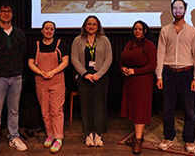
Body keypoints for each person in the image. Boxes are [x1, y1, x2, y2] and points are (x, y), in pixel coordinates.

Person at [155, 0, 195, 154]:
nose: (178, 10)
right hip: (168, 73)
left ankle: (189, 140)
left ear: (185, 10)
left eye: (181, 8)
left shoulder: (193, 31)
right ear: (172, 10)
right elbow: (160, 54)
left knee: (189, 110)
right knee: (168, 109)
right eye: (175, 8)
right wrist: (159, 76)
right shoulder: (165, 30)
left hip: (186, 73)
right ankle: (169, 138)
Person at [0, 2, 28, 156]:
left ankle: (13, 137)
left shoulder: (20, 34)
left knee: (14, 111)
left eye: (9, 11)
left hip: (16, 77)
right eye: (3, 11)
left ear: (12, 14)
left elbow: (22, 53)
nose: (6, 13)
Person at [71, 15, 113, 147]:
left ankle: (98, 134)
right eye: (89, 24)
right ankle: (88, 134)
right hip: (84, 77)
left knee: (100, 106)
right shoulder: (77, 40)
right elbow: (75, 59)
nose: (91, 26)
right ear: (84, 26)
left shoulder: (104, 40)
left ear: (98, 26)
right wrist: (84, 74)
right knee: (86, 106)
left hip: (100, 77)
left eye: (94, 24)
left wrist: (99, 74)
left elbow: (108, 59)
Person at [28, 21, 69, 153]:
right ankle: (50, 135)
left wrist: (52, 72)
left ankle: (58, 138)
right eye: (46, 29)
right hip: (41, 81)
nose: (49, 31)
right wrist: (40, 72)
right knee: (45, 111)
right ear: (42, 30)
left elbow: (66, 61)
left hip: (56, 80)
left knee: (56, 110)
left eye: (51, 29)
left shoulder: (60, 44)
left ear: (54, 31)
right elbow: (30, 62)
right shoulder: (36, 45)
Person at [120, 21, 157, 155]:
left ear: (145, 31)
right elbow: (122, 59)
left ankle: (138, 140)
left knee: (140, 111)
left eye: (140, 29)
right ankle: (137, 136)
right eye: (135, 29)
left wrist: (135, 72)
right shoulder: (129, 44)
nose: (137, 31)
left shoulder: (149, 45)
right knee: (133, 110)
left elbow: (152, 65)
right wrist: (122, 68)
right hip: (130, 82)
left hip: (143, 82)